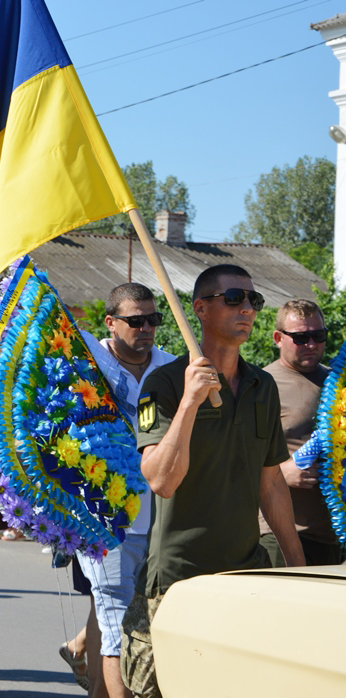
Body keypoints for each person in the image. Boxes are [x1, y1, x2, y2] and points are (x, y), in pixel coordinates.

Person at [121, 264, 305, 698]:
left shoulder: (262, 385)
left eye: (254, 301)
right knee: (155, 689)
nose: (248, 308)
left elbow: (272, 483)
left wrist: (299, 567)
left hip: (244, 574)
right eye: (235, 298)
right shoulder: (162, 384)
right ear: (200, 309)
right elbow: (161, 480)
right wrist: (189, 403)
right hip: (177, 580)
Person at [69, 283, 175, 698]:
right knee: (116, 620)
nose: (146, 328)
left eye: (153, 320)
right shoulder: (85, 363)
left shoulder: (173, 367)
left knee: (135, 616)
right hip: (103, 515)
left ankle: (98, 687)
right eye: (135, 321)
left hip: (163, 514)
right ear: (110, 323)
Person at [258, 299, 343, 566]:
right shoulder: (260, 385)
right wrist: (281, 472)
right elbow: (233, 457)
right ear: (278, 338)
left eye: (318, 336)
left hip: (333, 536)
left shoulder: (337, 383)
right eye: (300, 337)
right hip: (281, 535)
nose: (310, 344)